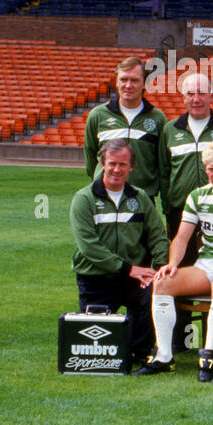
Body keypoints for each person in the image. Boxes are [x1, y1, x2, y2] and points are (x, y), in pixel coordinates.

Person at [138, 141, 213, 377]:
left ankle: (210, 357)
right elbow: (181, 238)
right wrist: (172, 263)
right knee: (162, 282)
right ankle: (164, 356)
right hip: (205, 265)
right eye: (211, 169)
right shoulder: (197, 196)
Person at [70, 139, 169, 370]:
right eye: (112, 163)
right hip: (96, 277)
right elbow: (88, 247)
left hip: (136, 277)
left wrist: (159, 267)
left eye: (123, 164)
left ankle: (142, 353)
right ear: (102, 163)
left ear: (131, 166)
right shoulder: (84, 199)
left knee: (150, 300)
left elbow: (158, 235)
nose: (117, 169)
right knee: (95, 346)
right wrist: (128, 268)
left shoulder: (140, 197)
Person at [84, 56, 167, 206]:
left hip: (142, 199)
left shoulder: (158, 118)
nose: (128, 85)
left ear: (145, 84)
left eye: (134, 80)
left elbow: (162, 164)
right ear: (116, 82)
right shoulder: (98, 115)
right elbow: (90, 158)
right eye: (123, 79)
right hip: (104, 198)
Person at [158, 71, 213, 233]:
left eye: (202, 93)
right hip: (181, 209)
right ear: (183, 97)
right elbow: (164, 172)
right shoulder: (170, 129)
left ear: (212, 97)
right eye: (190, 94)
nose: (196, 99)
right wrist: (168, 208)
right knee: (182, 256)